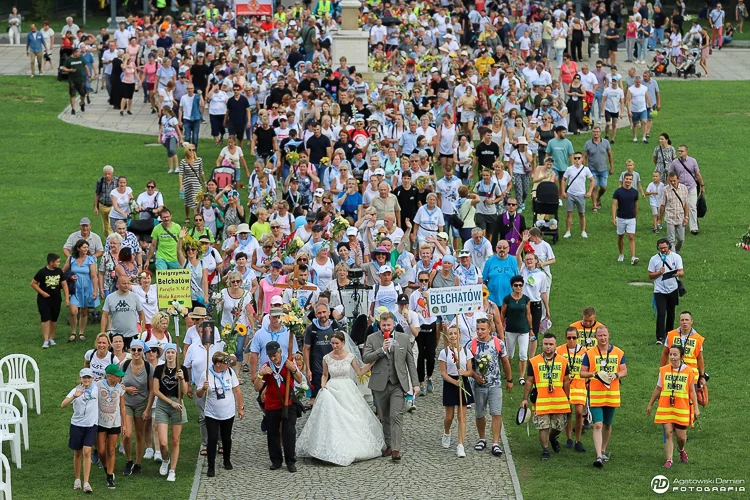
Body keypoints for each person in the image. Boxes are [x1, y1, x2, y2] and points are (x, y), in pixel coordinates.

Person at [297, 332, 383, 466]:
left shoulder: (350, 357)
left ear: (343, 343)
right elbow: (325, 375)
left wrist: (371, 363)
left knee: (352, 416)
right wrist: (323, 384)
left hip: (347, 387)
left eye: (337, 343)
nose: (335, 346)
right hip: (333, 386)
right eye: (333, 343)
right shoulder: (326, 358)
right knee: (332, 414)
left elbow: (359, 371)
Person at [363, 312, 420, 461]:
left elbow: (410, 363)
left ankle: (396, 449)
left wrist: (415, 383)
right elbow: (366, 358)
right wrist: (381, 350)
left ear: (394, 324)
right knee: (385, 416)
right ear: (379, 325)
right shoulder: (372, 338)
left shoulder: (404, 338)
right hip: (379, 384)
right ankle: (388, 444)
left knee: (396, 415)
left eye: (389, 325)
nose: (386, 327)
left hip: (397, 384)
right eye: (383, 325)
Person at [580, 325, 628, 468]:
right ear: (596, 337)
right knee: (598, 424)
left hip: (612, 395)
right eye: (600, 336)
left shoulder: (619, 352)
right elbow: (582, 373)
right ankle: (598, 456)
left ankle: (603, 449)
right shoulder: (589, 354)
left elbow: (625, 370)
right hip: (595, 395)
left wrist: (617, 375)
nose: (602, 338)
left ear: (609, 335)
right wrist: (593, 374)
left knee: (607, 424)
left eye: (604, 335)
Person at [646, 344, 699, 468]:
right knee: (668, 432)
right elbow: (658, 388)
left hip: (681, 408)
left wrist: (696, 408)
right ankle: (669, 459)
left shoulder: (688, 371)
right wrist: (650, 404)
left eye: (675, 354)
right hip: (666, 407)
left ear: (681, 356)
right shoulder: (664, 370)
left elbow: (692, 391)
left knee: (681, 437)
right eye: (671, 354)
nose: (672, 357)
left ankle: (681, 450)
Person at [520, 332, 571, 460]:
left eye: (551, 344)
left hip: (558, 399)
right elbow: (529, 381)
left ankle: (552, 437)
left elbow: (566, 381)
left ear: (555, 346)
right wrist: (525, 399)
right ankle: (546, 450)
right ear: (542, 345)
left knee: (560, 425)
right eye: (546, 344)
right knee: (543, 426)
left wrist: (568, 398)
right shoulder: (534, 361)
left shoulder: (563, 361)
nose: (548, 347)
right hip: (541, 399)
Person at [468, 317, 513, 457]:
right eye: (478, 329)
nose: (480, 332)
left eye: (483, 329)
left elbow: (505, 362)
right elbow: (467, 365)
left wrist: (509, 379)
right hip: (478, 385)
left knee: (496, 413)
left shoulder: (498, 343)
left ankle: (495, 443)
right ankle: (482, 438)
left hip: (495, 384)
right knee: (480, 413)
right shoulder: (471, 345)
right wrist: (475, 376)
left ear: (489, 329)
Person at [253, 342, 300, 472]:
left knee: (289, 432)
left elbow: (300, 379)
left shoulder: (288, 362)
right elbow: (257, 387)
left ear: (279, 352)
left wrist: (293, 369)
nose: (273, 358)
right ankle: (276, 460)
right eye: (270, 356)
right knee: (272, 432)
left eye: (275, 355)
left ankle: (290, 461)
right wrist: (260, 374)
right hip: (272, 404)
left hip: (288, 403)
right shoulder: (266, 366)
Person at [197, 351, 244, 477]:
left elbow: (237, 391)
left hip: (228, 412)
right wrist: (203, 388)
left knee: (226, 438)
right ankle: (211, 466)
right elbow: (199, 395)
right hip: (211, 413)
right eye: (225, 363)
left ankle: (227, 460)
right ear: (217, 364)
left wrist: (240, 408)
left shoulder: (230, 372)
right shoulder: (206, 375)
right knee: (212, 439)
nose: (228, 365)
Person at [152, 343, 188, 482]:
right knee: (163, 442)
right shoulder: (159, 369)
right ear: (165, 355)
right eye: (168, 353)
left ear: (176, 354)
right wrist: (170, 402)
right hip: (163, 404)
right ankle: (165, 459)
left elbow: (185, 392)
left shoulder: (182, 369)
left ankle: (172, 470)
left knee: (175, 440)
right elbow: (155, 390)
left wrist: (182, 379)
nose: (170, 355)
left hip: (178, 404)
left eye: (173, 352)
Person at [120, 339, 155, 477]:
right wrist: (126, 388)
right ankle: (129, 460)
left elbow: (152, 390)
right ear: (129, 350)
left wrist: (147, 409)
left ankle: (138, 463)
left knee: (140, 434)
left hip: (142, 404)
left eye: (139, 350)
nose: (136, 352)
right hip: (127, 403)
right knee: (127, 434)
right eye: (133, 350)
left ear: (143, 352)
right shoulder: (124, 365)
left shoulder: (148, 367)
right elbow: (118, 384)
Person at [61, 368, 99, 494]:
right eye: (84, 378)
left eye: (89, 377)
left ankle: (86, 482)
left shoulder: (96, 389)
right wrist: (74, 396)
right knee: (77, 453)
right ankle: (77, 479)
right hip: (77, 424)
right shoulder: (75, 390)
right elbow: (63, 404)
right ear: (80, 379)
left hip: (91, 425)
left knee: (87, 451)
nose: (86, 380)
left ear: (92, 378)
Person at [439, 325, 474, 458]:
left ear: (459, 335)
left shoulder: (466, 352)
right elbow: (443, 372)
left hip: (463, 381)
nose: (453, 336)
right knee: (449, 416)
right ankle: (447, 432)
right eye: (451, 333)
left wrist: (464, 373)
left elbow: (470, 371)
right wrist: (454, 382)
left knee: (462, 416)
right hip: (450, 382)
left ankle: (460, 445)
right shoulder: (445, 352)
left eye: (455, 333)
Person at [303, 302, 343, 406]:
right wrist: (307, 369)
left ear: (329, 312)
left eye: (324, 312)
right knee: (320, 398)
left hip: (334, 369)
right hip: (317, 369)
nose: (322, 315)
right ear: (316, 315)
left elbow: (343, 348)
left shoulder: (336, 327)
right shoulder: (311, 329)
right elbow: (306, 349)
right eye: (319, 313)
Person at [648, 238, 685, 345]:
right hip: (659, 291)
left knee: (671, 313)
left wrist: (677, 274)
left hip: (672, 289)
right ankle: (660, 337)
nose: (663, 250)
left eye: (664, 247)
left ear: (669, 246)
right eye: (661, 248)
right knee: (661, 313)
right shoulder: (654, 259)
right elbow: (650, 275)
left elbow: (681, 271)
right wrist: (659, 272)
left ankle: (669, 334)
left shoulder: (676, 257)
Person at [557, 326, 588, 452]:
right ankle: (569, 437)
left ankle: (578, 440)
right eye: (569, 338)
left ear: (578, 338)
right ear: (565, 338)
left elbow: (587, 368)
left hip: (580, 384)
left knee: (579, 412)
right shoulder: (559, 350)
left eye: (574, 338)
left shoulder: (584, 351)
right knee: (568, 412)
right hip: (566, 384)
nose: (571, 340)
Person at [96, 363, 127, 490]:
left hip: (115, 422)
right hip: (100, 422)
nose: (120, 378)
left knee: (111, 449)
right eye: (117, 376)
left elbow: (123, 407)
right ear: (109, 376)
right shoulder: (98, 385)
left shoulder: (120, 388)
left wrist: (124, 424)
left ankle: (109, 476)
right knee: (101, 450)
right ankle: (106, 467)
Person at [63, 239, 100, 342]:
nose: (86, 249)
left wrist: (95, 290)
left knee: (84, 311)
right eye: (84, 247)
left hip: (87, 288)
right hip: (74, 289)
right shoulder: (71, 259)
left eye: (87, 247)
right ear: (78, 248)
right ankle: (73, 331)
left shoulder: (90, 260)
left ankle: (81, 332)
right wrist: (70, 277)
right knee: (73, 311)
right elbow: (63, 272)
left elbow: (94, 276)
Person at [31, 252, 69, 349]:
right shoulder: (42, 272)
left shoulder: (59, 271)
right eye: (57, 262)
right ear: (51, 262)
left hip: (56, 298)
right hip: (44, 300)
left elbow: (64, 284)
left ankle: (52, 337)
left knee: (54, 318)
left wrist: (67, 297)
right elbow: (33, 283)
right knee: (45, 318)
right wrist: (42, 293)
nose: (59, 264)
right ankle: (46, 339)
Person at [669, 145, 705, 235]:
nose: (680, 152)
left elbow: (697, 174)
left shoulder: (693, 161)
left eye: (682, 151)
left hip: (691, 186)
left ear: (686, 152)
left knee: (692, 206)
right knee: (680, 207)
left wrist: (702, 185)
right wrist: (669, 186)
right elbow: (670, 175)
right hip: (680, 187)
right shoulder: (675, 163)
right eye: (679, 151)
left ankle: (694, 228)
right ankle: (680, 225)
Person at [100, 276, 145, 349]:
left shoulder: (135, 297)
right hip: (116, 335)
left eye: (128, 283)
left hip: (132, 335)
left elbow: (141, 314)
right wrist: (102, 333)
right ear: (118, 284)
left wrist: (142, 331)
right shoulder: (110, 298)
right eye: (124, 283)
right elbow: (104, 315)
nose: (126, 285)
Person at [561, 152, 595, 239]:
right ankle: (568, 231)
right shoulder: (569, 169)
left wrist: (589, 192)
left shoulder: (585, 169)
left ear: (582, 159)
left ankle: (583, 231)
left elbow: (592, 180)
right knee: (569, 213)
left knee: (582, 214)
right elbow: (563, 179)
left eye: (579, 158)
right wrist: (563, 192)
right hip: (570, 194)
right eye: (575, 158)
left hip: (581, 194)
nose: (577, 160)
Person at [583, 126, 614, 213]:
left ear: (600, 133)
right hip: (592, 169)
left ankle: (598, 198)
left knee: (603, 187)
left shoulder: (606, 142)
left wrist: (611, 167)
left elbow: (610, 155)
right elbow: (584, 156)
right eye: (594, 132)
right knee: (594, 187)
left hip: (603, 169)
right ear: (592, 133)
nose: (596, 133)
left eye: (597, 132)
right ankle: (594, 206)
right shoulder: (588, 144)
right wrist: (583, 168)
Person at [612, 171, 640, 265]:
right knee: (620, 237)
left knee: (631, 237)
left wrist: (636, 217)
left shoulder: (634, 192)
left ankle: (633, 257)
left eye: (630, 179)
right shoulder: (618, 192)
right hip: (621, 218)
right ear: (624, 179)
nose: (628, 181)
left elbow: (636, 206)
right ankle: (621, 254)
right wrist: (614, 217)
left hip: (631, 218)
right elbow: (614, 205)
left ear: (632, 180)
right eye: (627, 179)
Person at [483, 240, 519, 308]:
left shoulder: (513, 260)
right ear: (496, 248)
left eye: (504, 248)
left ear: (508, 249)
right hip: (493, 299)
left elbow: (517, 280)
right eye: (499, 247)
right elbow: (484, 280)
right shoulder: (489, 261)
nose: (502, 249)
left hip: (510, 299)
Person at [660, 173, 689, 252]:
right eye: (671, 181)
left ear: (678, 179)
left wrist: (686, 217)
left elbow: (686, 204)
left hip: (680, 217)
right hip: (670, 217)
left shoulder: (684, 188)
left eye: (674, 181)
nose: (672, 183)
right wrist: (660, 218)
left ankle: (676, 250)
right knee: (671, 240)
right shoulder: (665, 190)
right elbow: (662, 205)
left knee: (681, 239)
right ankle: (674, 256)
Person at [61, 46, 90, 115]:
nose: (79, 53)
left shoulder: (81, 58)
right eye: (78, 52)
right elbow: (63, 67)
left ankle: (82, 103)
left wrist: (89, 76)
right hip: (72, 79)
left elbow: (86, 67)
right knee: (72, 94)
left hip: (81, 79)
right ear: (74, 53)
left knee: (83, 93)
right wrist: (69, 70)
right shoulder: (68, 59)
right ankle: (73, 109)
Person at [94, 165, 118, 236]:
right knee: (105, 226)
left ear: (112, 173)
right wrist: (96, 207)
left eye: (109, 174)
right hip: (102, 206)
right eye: (105, 174)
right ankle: (107, 239)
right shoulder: (100, 181)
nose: (107, 176)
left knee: (110, 226)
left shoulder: (117, 181)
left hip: (112, 206)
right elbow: (97, 194)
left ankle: (112, 239)